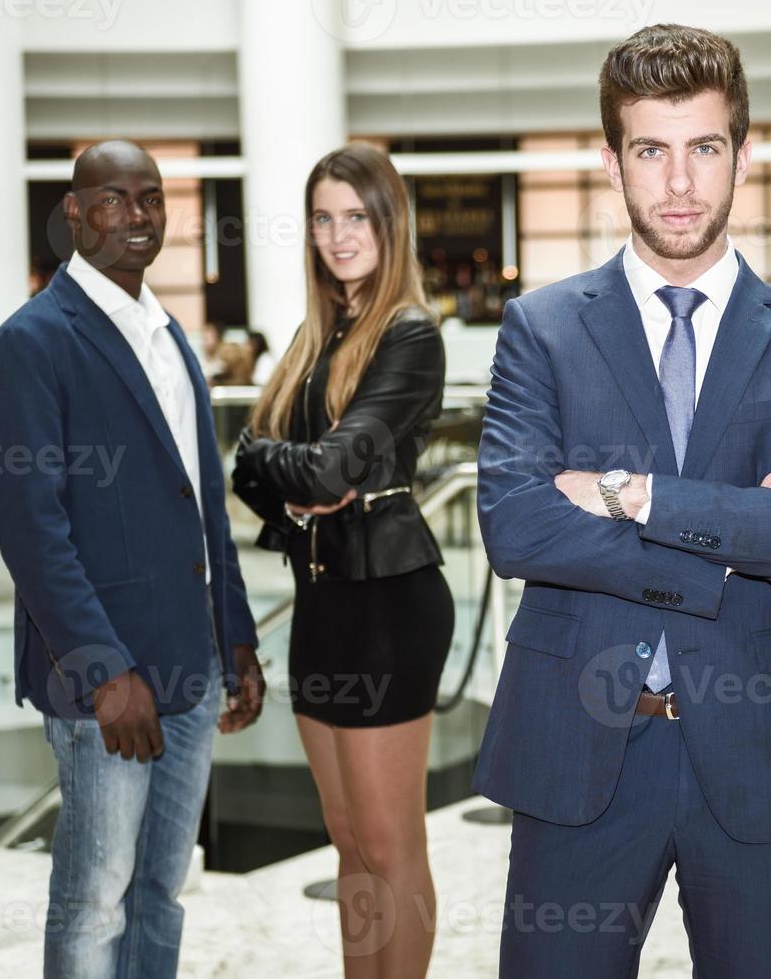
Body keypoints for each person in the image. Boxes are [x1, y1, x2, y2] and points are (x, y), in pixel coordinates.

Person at [473, 24, 771, 977]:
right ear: (612, 162)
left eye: (703, 148)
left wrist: (632, 495)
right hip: (577, 749)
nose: (680, 183)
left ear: (742, 152)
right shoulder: (541, 328)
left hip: (760, 754)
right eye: (651, 151)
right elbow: (516, 524)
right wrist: (743, 522)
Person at [0, 139, 266, 979]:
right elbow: (31, 528)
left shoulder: (169, 336)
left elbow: (201, 507)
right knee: (95, 896)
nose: (136, 218)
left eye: (151, 199)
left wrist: (234, 636)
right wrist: (104, 669)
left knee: (159, 892)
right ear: (74, 213)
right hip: (106, 681)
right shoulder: (29, 343)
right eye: (113, 200)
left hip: (190, 662)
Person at [232, 141, 453, 978]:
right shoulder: (316, 335)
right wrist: (287, 478)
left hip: (389, 606)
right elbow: (248, 468)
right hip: (321, 601)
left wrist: (284, 469)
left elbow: (326, 466)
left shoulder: (409, 334)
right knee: (349, 842)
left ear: (387, 222)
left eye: (354, 216)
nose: (337, 234)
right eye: (323, 218)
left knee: (392, 844)